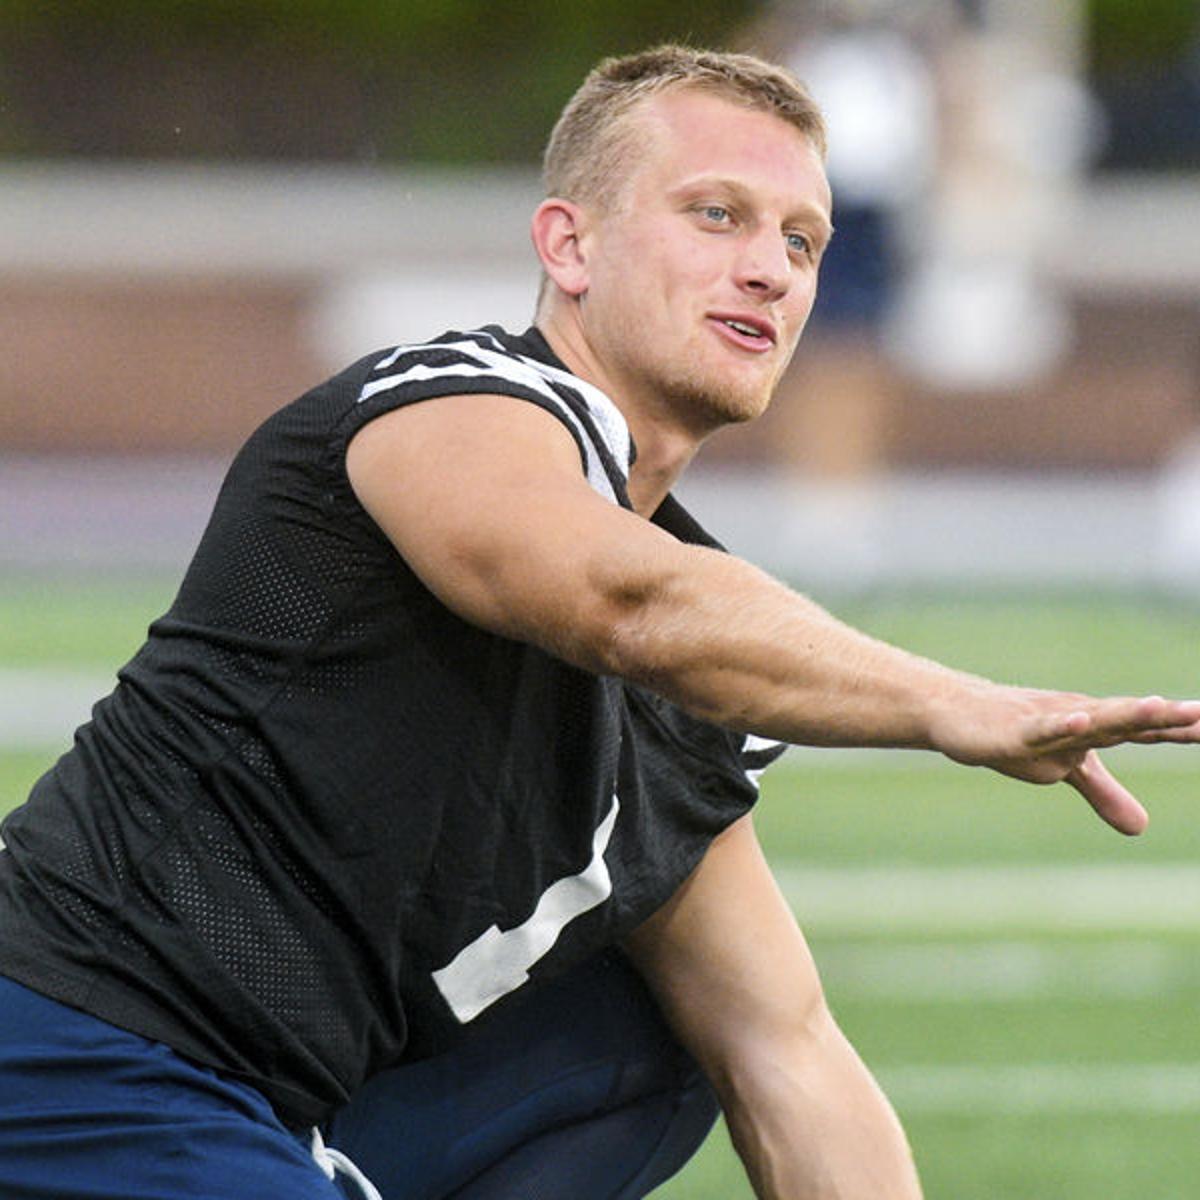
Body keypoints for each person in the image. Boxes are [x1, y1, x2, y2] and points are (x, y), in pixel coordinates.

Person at [1, 44, 1197, 1200]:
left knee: (660, 1038)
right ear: (569, 244)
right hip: (62, 1032)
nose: (772, 270)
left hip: (248, 1102)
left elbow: (787, 1052)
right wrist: (954, 702)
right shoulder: (449, 405)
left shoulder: (684, 624)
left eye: (801, 240)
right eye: (715, 215)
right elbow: (621, 601)